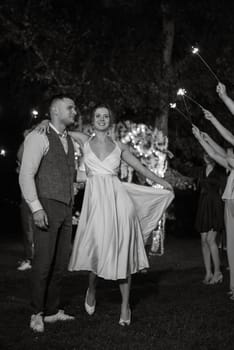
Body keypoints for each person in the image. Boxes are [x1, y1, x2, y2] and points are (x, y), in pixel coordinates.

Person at [62, 104, 174, 326]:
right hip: (96, 206)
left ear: (109, 121)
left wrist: (162, 182)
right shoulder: (83, 140)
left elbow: (142, 169)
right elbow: (60, 129)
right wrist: (45, 122)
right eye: (98, 116)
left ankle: (125, 306)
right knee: (96, 249)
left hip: (119, 204)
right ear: (93, 120)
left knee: (123, 253)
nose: (102, 119)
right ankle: (91, 289)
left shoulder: (119, 146)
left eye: (105, 116)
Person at [19, 95, 77, 333]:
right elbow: (26, 174)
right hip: (47, 205)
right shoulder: (38, 136)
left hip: (65, 208)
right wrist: (36, 208)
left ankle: (52, 311)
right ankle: (37, 312)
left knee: (60, 263)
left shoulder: (69, 140)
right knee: (43, 263)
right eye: (70, 108)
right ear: (55, 111)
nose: (75, 111)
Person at [192, 121, 234, 300]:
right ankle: (231, 285)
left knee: (221, 243)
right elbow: (215, 153)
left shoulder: (226, 166)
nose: (229, 154)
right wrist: (202, 138)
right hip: (227, 202)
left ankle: (219, 274)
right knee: (230, 247)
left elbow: (221, 150)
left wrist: (210, 126)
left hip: (220, 203)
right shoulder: (229, 165)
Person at [195, 152, 225, 284]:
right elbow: (187, 172)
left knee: (210, 239)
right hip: (203, 205)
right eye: (204, 154)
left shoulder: (220, 170)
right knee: (203, 241)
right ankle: (208, 272)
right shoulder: (201, 170)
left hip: (215, 205)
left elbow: (225, 187)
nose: (206, 156)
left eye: (208, 154)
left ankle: (218, 272)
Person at [16, 130, 34, 271]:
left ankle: (31, 259)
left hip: (32, 196)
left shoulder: (32, 152)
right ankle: (30, 258)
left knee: (30, 228)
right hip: (27, 195)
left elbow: (20, 155)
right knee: (28, 228)